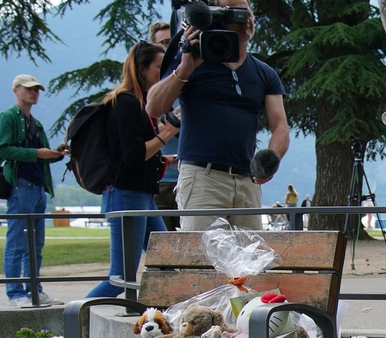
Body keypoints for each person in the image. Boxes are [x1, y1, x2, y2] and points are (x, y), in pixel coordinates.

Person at [146, 0, 290, 231]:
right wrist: (184, 68)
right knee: (201, 260)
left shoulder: (265, 73)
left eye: (247, 12)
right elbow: (153, 107)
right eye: (234, 12)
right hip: (203, 177)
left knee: (250, 259)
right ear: (217, 18)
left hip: (247, 179)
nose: (244, 19)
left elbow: (281, 126)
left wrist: (270, 160)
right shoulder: (195, 64)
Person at [87, 42, 179, 299]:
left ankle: (160, 314)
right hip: (126, 196)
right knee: (120, 278)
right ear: (141, 69)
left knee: (167, 262)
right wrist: (167, 134)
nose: (162, 74)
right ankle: (71, 324)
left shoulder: (140, 104)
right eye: (158, 68)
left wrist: (165, 158)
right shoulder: (126, 102)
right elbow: (133, 156)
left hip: (142, 196)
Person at [0, 75, 68, 307]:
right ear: (16, 90)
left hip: (38, 187)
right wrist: (38, 153)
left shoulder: (35, 123)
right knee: (17, 242)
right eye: (28, 89)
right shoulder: (7, 117)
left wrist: (55, 153)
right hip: (20, 186)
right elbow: (2, 149)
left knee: (36, 244)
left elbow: (42, 155)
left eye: (36, 89)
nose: (33, 93)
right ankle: (15, 293)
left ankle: (34, 291)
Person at [148, 21, 181, 231]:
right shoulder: (147, 92)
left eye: (173, 42)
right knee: (161, 252)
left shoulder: (190, 84)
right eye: (164, 42)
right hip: (158, 181)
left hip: (188, 178)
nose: (168, 48)